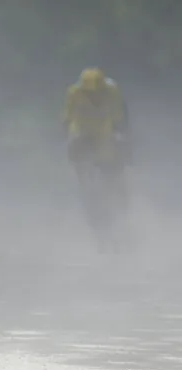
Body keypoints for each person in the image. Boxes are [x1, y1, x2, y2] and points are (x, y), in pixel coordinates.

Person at [63, 67, 131, 244]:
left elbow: (119, 119)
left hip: (103, 128)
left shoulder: (112, 91)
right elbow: (68, 119)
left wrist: (121, 137)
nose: (94, 97)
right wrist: (71, 142)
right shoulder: (74, 93)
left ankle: (117, 197)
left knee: (112, 163)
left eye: (97, 93)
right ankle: (86, 193)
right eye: (89, 93)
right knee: (77, 152)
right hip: (82, 128)